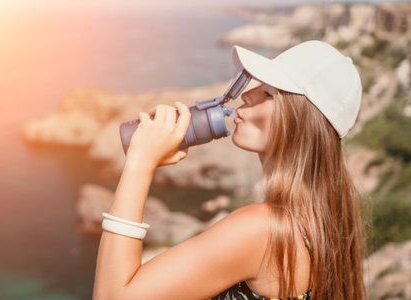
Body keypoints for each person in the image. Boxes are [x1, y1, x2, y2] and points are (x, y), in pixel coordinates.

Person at [93, 40, 366, 300]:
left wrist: (140, 164)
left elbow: (112, 296)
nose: (247, 95)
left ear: (301, 122)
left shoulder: (263, 229)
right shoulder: (322, 221)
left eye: (269, 93)